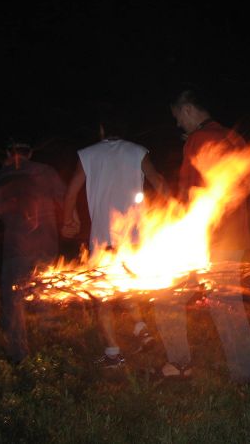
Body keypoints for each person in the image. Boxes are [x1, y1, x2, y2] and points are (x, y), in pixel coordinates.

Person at [154, 85, 250, 385]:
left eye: (178, 116)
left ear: (188, 109)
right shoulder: (233, 138)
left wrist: (181, 233)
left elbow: (194, 194)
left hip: (208, 239)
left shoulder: (197, 140)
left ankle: (181, 364)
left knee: (167, 297)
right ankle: (248, 374)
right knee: (228, 305)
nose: (178, 123)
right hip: (235, 237)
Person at [61, 110, 169, 368]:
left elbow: (72, 191)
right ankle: (141, 329)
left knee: (103, 298)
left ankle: (113, 354)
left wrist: (68, 220)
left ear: (101, 129)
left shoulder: (87, 154)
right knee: (126, 282)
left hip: (104, 240)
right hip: (136, 240)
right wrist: (174, 210)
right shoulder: (138, 151)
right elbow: (157, 180)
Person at [0, 142, 66, 363]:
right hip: (46, 246)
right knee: (45, 295)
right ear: (30, 152)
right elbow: (63, 198)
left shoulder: (1, 177)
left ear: (9, 152)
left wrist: (8, 210)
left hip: (16, 248)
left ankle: (18, 354)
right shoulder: (46, 171)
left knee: (14, 300)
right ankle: (51, 351)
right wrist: (69, 221)